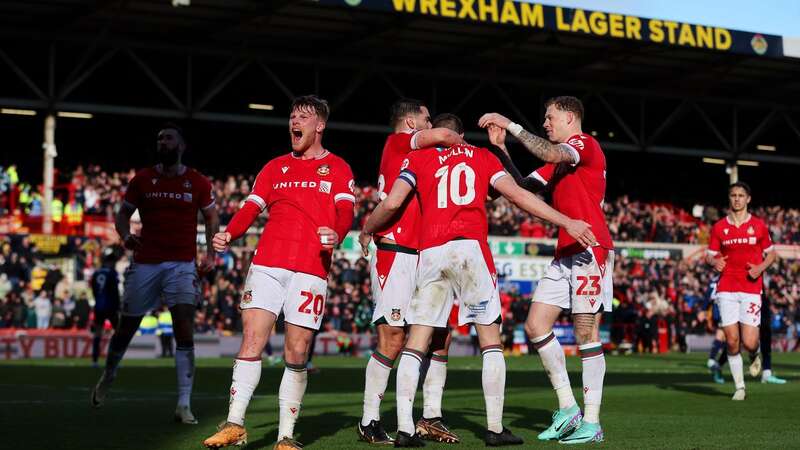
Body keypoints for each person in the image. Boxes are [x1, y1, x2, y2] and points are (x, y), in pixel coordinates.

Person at [360, 113, 595, 447]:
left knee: (417, 341)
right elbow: (519, 195)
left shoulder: (418, 157)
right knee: (490, 341)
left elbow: (394, 201)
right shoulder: (482, 157)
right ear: (462, 135)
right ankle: (495, 429)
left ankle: (405, 430)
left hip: (432, 251)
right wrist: (566, 221)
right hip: (471, 251)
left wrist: (368, 228)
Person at [203, 95, 355, 450]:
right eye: (291, 117)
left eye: (303, 116)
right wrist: (229, 232)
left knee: (296, 351)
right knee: (252, 341)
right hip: (267, 264)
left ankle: (286, 436)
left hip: (311, 269)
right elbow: (250, 208)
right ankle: (235, 423)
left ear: (320, 125)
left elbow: (344, 212)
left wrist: (338, 233)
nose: (294, 122)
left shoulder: (338, 168)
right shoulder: (274, 167)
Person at [479, 96, 614, 444]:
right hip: (565, 250)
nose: (545, 123)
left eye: (550, 117)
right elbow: (522, 191)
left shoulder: (583, 144)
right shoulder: (558, 163)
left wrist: (510, 123)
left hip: (589, 247)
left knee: (586, 333)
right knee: (535, 326)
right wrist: (502, 151)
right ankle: (569, 408)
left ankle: (593, 421)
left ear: (570, 117)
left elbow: (552, 152)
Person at [91, 123, 219, 427]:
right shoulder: (142, 179)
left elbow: (212, 215)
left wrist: (211, 254)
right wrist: (124, 235)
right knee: (127, 327)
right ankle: (109, 373)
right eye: (159, 138)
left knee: (184, 325)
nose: (162, 142)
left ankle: (183, 403)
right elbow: (123, 215)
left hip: (182, 264)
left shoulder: (197, 181)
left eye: (168, 138)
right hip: (146, 262)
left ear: (181, 146)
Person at [358, 100, 465, 445]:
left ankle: (430, 416)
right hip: (395, 250)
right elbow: (447, 134)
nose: (430, 124)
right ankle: (369, 420)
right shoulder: (399, 143)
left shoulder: (419, 158)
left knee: (439, 335)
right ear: (410, 122)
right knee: (392, 337)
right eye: (425, 119)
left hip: (423, 253)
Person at [706, 181, 777, 400]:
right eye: (733, 195)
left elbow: (772, 254)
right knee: (732, 340)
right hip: (726, 287)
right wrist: (713, 262)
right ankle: (740, 387)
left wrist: (760, 268)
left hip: (751, 288)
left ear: (748, 199)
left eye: (741, 195)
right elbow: (710, 254)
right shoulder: (719, 227)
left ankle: (754, 354)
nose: (737, 199)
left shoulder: (759, 226)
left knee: (749, 341)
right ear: (730, 198)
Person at [90, 248, 120, 368]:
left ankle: (95, 361)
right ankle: (114, 361)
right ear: (110, 261)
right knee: (117, 333)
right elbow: (114, 291)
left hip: (99, 306)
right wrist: (118, 306)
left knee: (97, 334)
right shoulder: (112, 273)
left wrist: (98, 300)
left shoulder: (96, 273)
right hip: (110, 306)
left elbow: (93, 290)